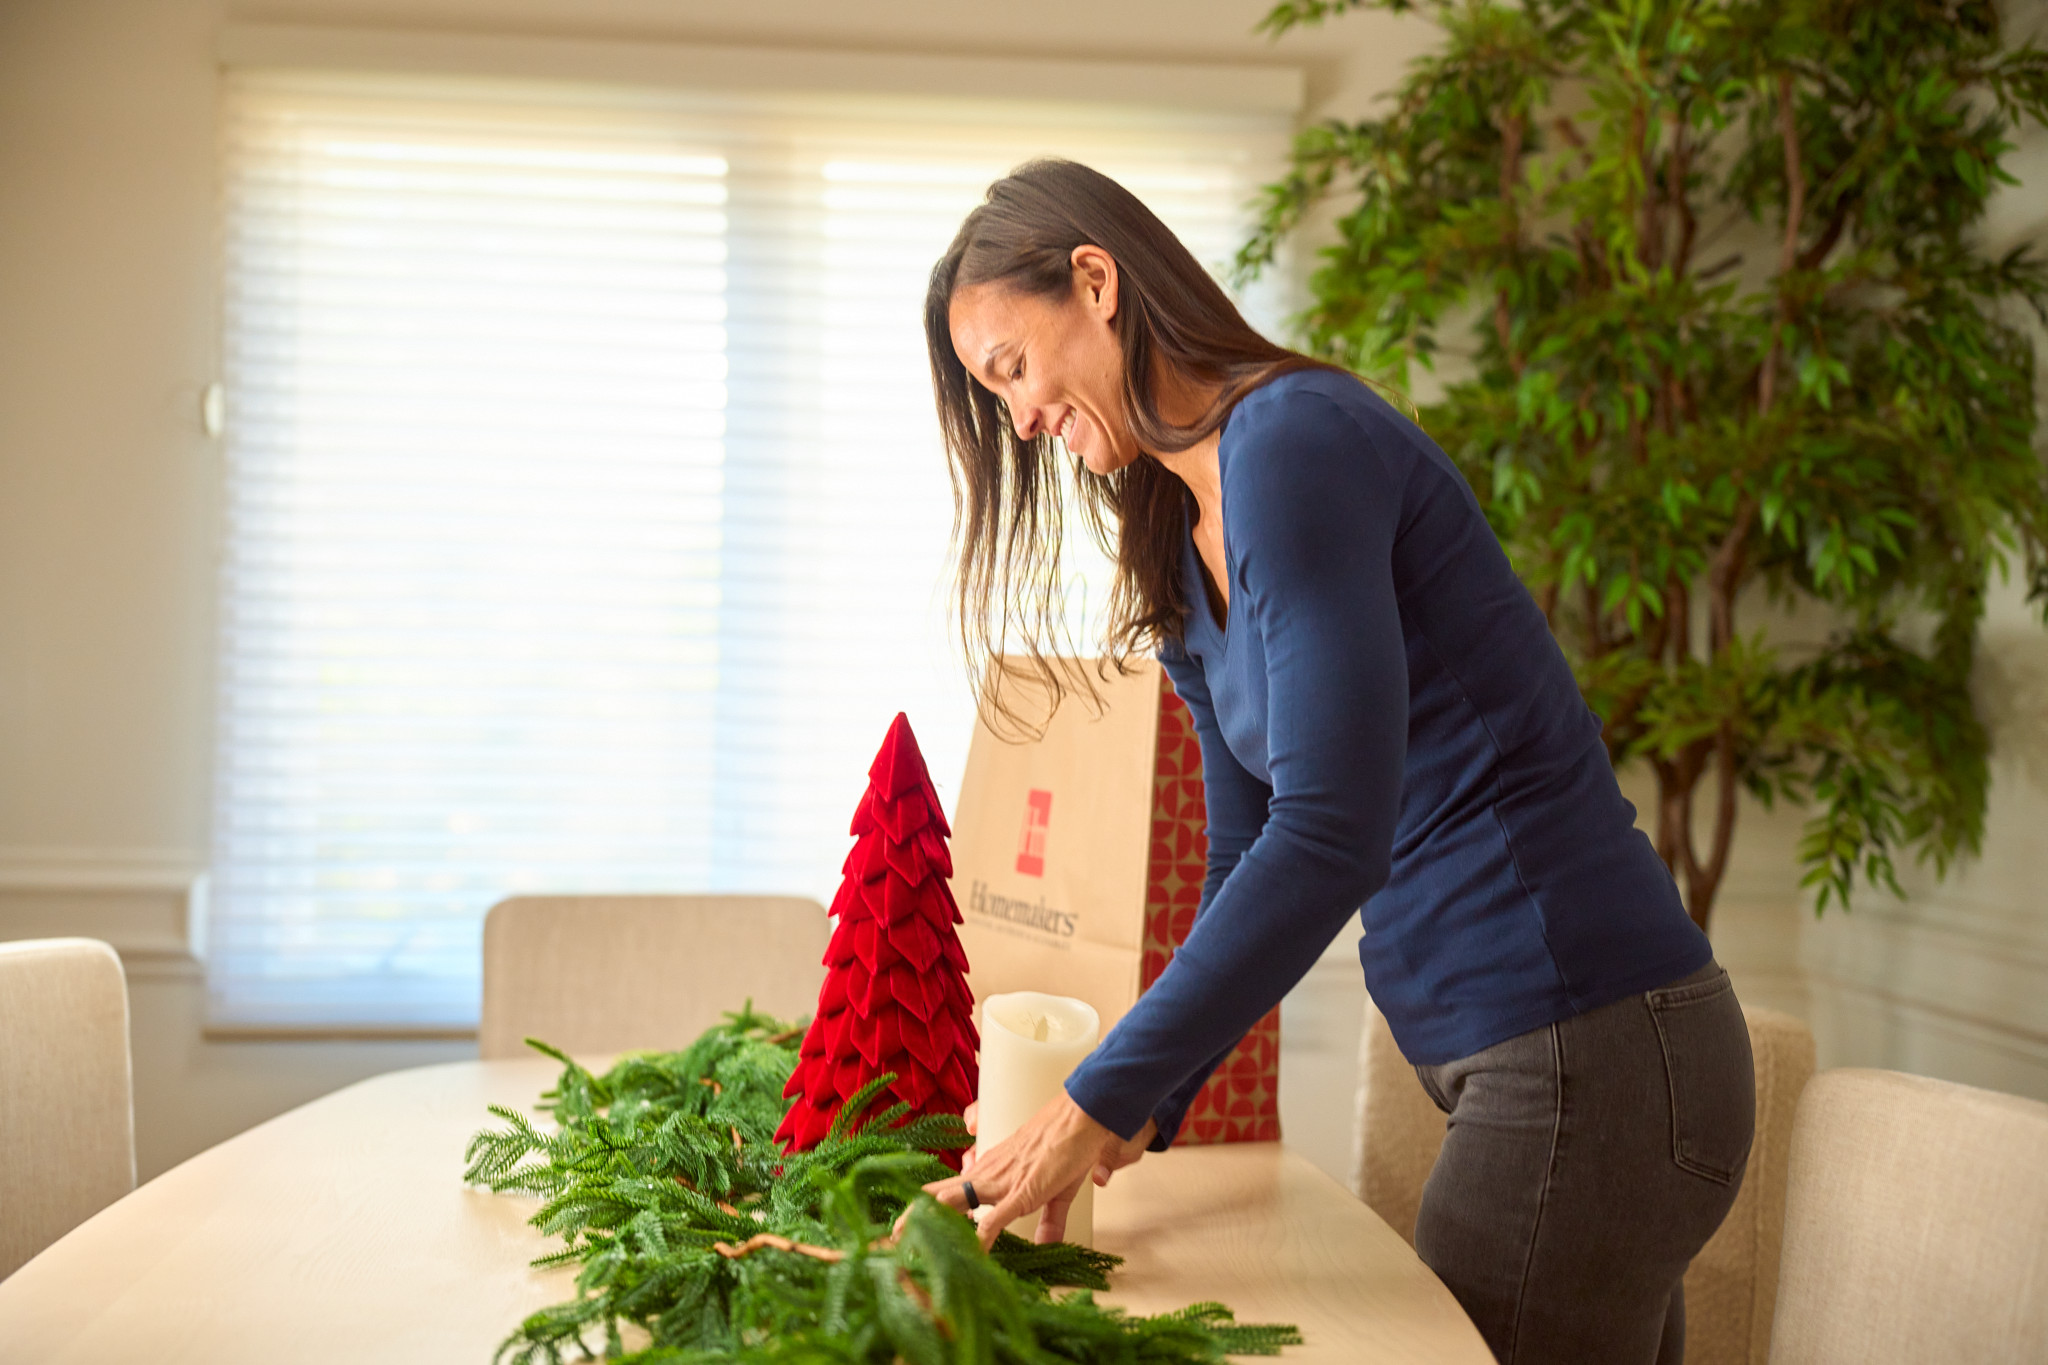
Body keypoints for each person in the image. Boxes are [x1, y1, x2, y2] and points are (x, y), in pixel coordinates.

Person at [916, 158, 1754, 1365]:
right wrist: (1143, 1106)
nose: (1022, 419)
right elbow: (1247, 853)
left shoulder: (1291, 442)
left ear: (1093, 282)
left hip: (1589, 1048)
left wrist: (1093, 1098)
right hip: (1550, 1066)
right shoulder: (1172, 539)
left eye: (1011, 371)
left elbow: (1329, 831)